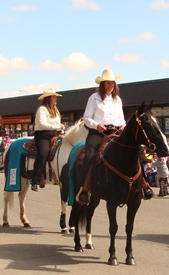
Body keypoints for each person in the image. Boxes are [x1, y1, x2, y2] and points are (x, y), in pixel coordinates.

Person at [76, 68, 126, 205]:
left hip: (115, 132)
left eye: (112, 82)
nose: (111, 85)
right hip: (98, 132)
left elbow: (122, 119)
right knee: (90, 154)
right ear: (102, 84)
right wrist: (97, 125)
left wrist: (123, 125)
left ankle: (141, 185)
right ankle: (84, 189)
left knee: (132, 151)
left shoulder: (117, 100)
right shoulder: (94, 98)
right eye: (108, 82)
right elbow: (86, 118)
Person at [31, 89, 65, 192]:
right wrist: (57, 126)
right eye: (54, 97)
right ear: (49, 98)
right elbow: (42, 124)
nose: (56, 99)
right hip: (43, 135)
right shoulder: (42, 109)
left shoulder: (56, 110)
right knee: (43, 153)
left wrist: (60, 128)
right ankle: (35, 179)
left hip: (56, 134)